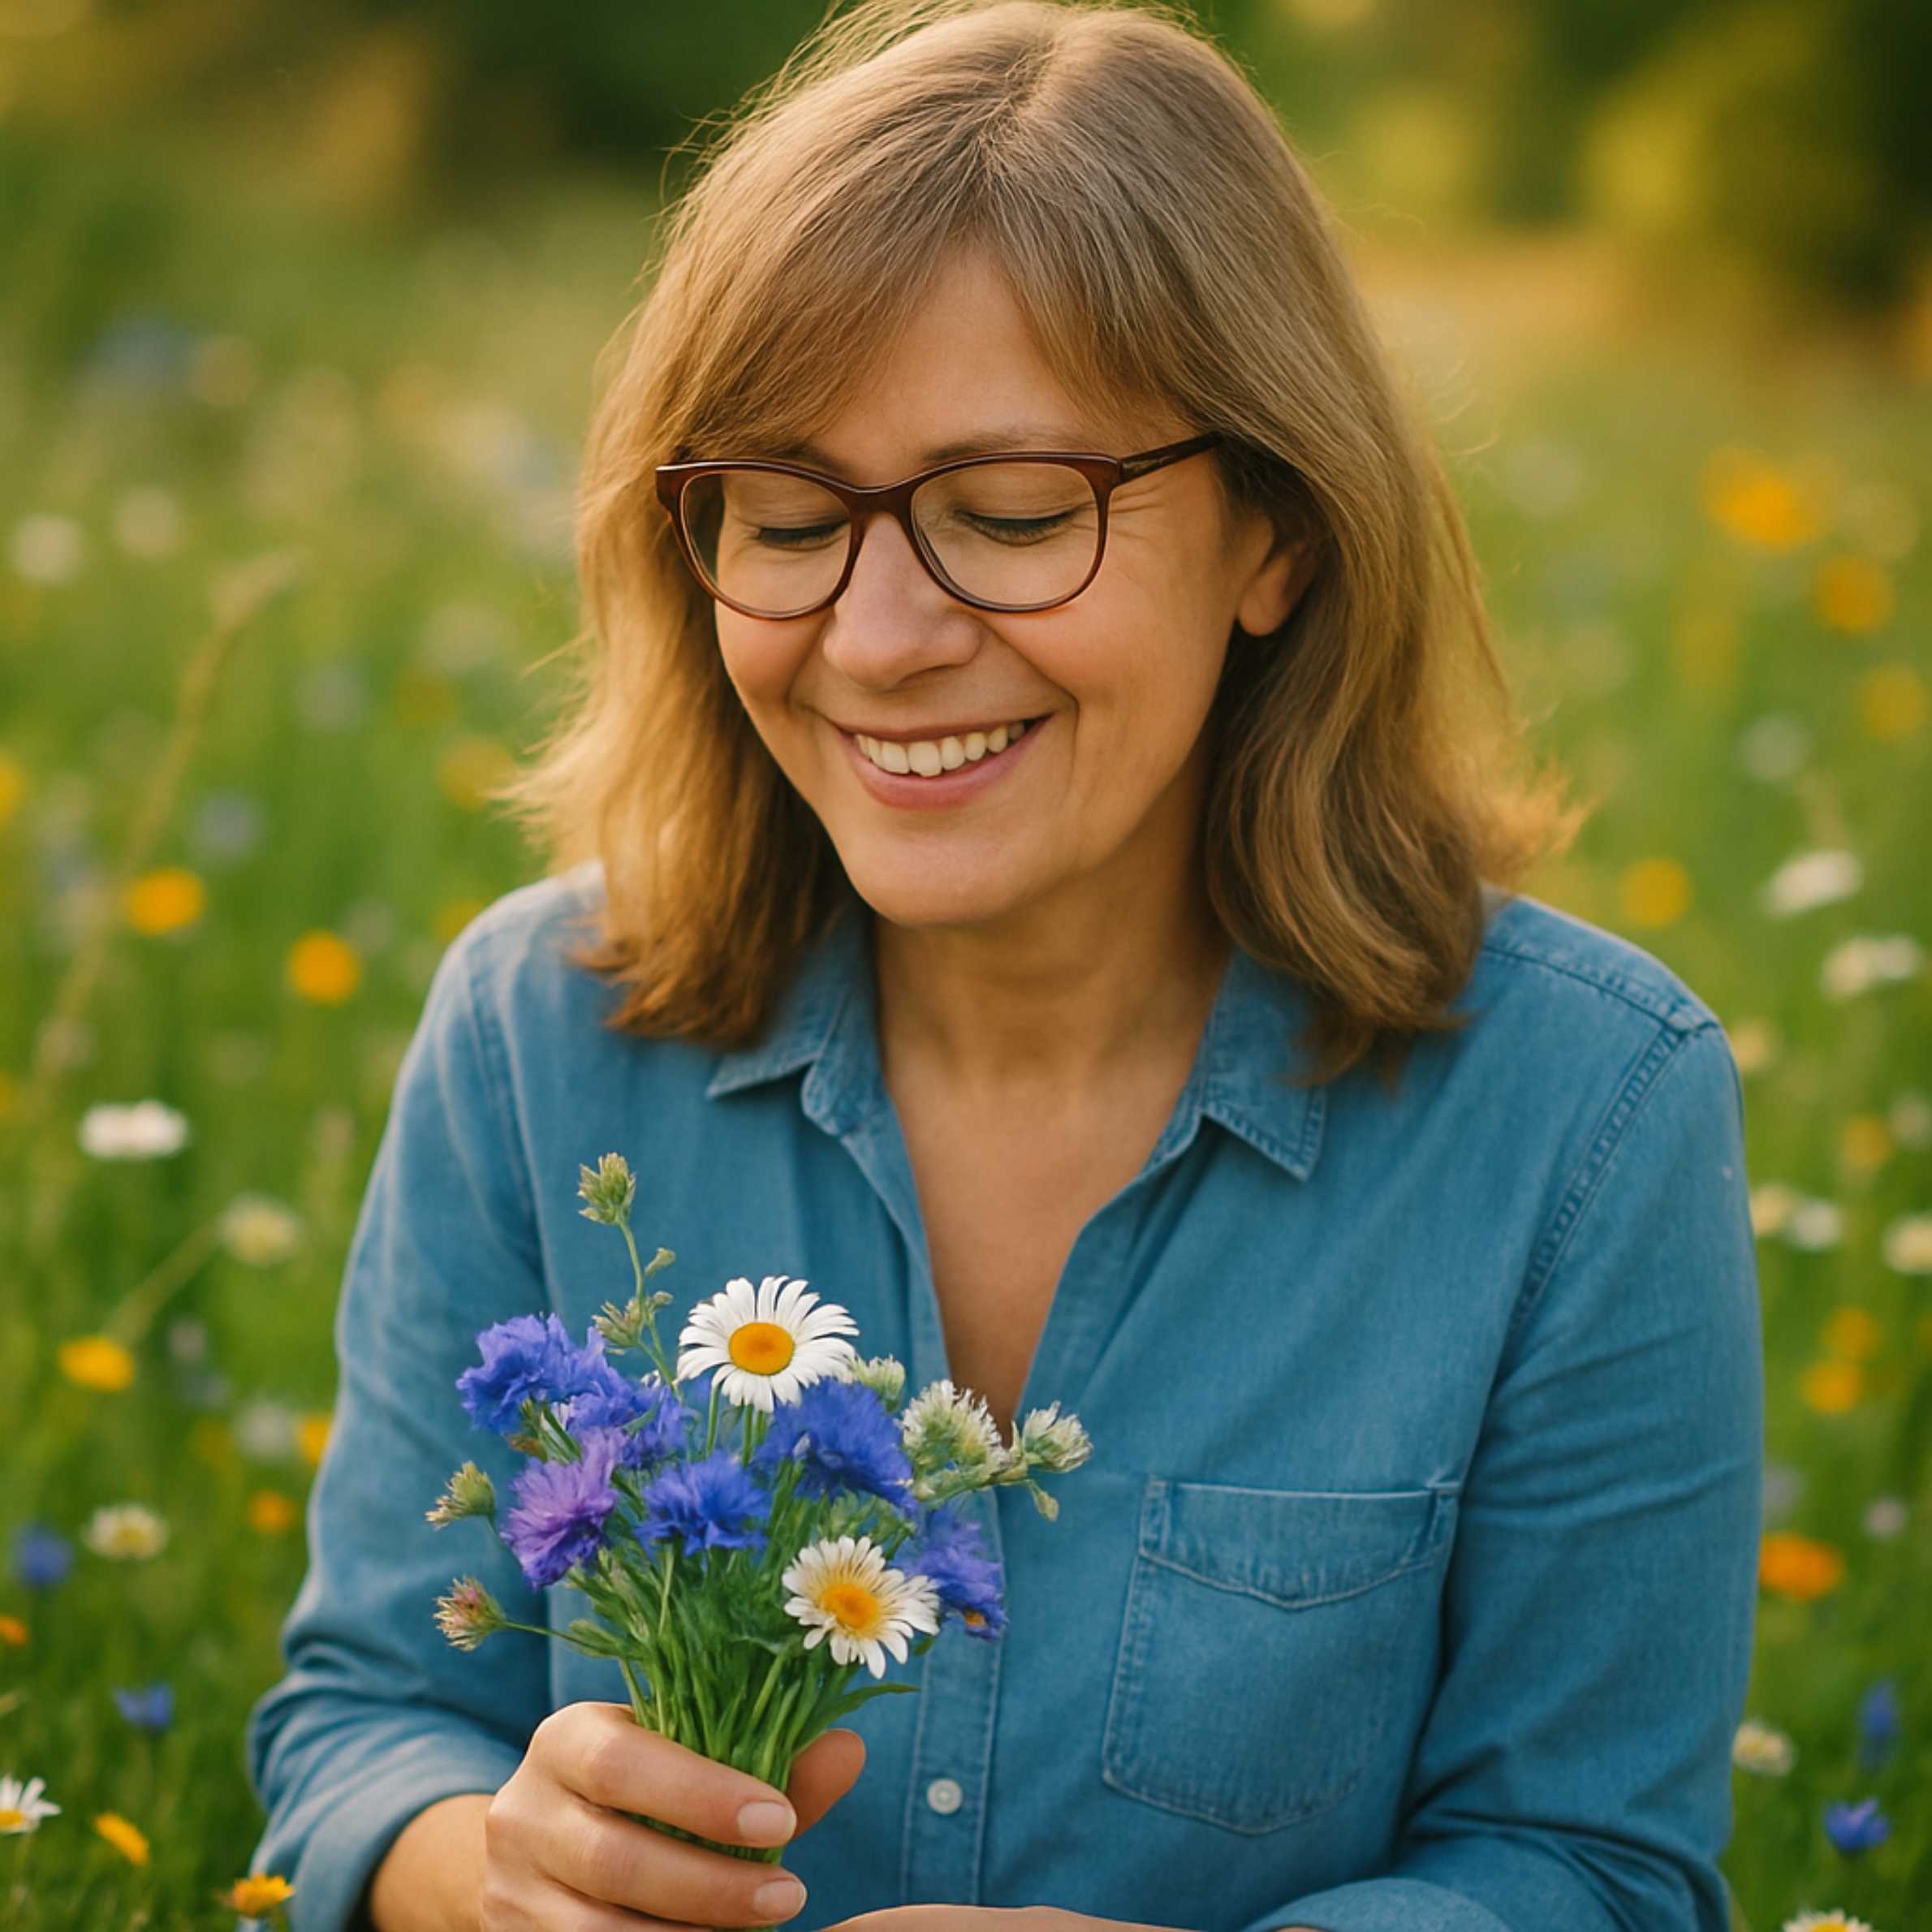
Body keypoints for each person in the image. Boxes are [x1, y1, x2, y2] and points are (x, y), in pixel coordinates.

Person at [241, 2, 1764, 1929]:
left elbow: (1592, 1868)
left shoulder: (1581, 1110)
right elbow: (371, 1718)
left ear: (1274, 532)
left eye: (1015, 516)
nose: (877, 637)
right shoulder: (536, 1032)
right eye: (787, 519)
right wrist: (493, 1874)